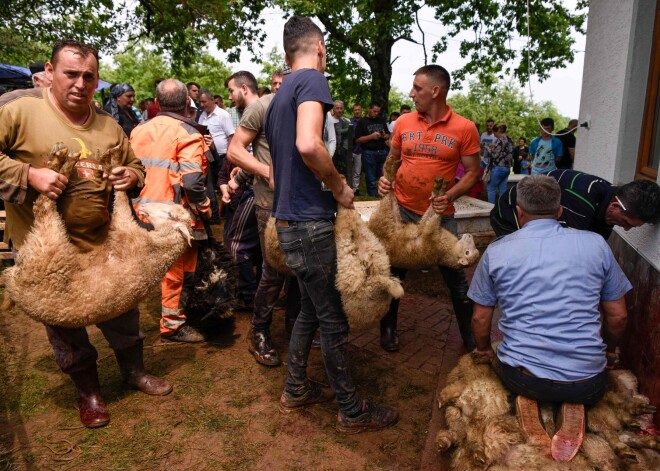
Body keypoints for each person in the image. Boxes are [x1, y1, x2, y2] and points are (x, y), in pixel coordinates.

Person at [0, 39, 172, 429]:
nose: (80, 83)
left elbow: (135, 167)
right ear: (50, 71)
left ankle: (133, 372)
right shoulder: (18, 110)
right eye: (71, 74)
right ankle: (89, 393)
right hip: (47, 252)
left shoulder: (108, 124)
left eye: (88, 76)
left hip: (103, 243)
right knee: (66, 324)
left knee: (122, 311)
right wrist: (29, 174)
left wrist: (131, 175)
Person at [265, 15, 398, 433]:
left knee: (308, 308)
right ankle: (351, 410)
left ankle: (295, 388)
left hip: (288, 225)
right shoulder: (311, 81)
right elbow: (309, 143)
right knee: (334, 318)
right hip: (310, 225)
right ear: (319, 47)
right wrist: (340, 185)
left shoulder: (281, 91)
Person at [469, 175, 631, 461]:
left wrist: (483, 349)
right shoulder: (596, 244)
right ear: (560, 211)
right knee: (580, 385)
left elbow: (481, 319)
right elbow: (618, 316)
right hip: (589, 381)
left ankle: (532, 403)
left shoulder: (497, 251)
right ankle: (573, 402)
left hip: (522, 378)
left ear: (519, 211)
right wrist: (607, 350)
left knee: (502, 359)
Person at [378, 64, 481, 353]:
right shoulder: (404, 123)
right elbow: (392, 160)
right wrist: (385, 181)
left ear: (436, 91)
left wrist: (450, 196)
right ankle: (388, 329)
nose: (411, 94)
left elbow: (474, 172)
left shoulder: (464, 128)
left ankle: (471, 337)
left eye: (418, 89)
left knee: (457, 277)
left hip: (439, 216)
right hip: (404, 212)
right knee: (394, 273)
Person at [131, 79, 213, 343]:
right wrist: (204, 207)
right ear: (187, 103)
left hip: (141, 211)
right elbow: (192, 181)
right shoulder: (188, 133)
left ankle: (162, 314)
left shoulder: (139, 130)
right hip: (172, 215)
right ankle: (173, 324)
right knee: (176, 268)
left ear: (156, 103)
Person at [490, 169, 660, 238]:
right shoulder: (582, 200)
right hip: (509, 215)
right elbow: (566, 252)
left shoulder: (613, 198)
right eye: (626, 223)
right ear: (616, 207)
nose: (626, 228)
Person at [354, 101, 390, 197]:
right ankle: (373, 197)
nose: (376, 113)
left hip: (382, 152)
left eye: (378, 111)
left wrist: (383, 135)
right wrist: (371, 136)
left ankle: (384, 198)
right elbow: (358, 139)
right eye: (374, 111)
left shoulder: (381, 120)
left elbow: (388, 135)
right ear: (369, 109)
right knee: (371, 178)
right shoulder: (362, 122)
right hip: (369, 153)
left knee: (384, 177)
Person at [486, 124, 513, 204]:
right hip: (507, 167)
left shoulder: (499, 140)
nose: (494, 134)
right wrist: (495, 147)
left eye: (494, 132)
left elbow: (495, 155)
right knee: (502, 189)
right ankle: (502, 208)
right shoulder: (509, 139)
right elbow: (506, 151)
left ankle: (491, 208)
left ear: (498, 131)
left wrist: (489, 150)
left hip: (499, 167)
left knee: (490, 187)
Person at [350, 103, 363, 193]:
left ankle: (356, 189)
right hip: (350, 149)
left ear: (361, 111)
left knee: (357, 171)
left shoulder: (364, 122)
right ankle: (348, 188)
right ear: (353, 111)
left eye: (358, 110)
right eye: (355, 110)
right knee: (348, 170)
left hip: (360, 150)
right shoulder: (349, 122)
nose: (357, 111)